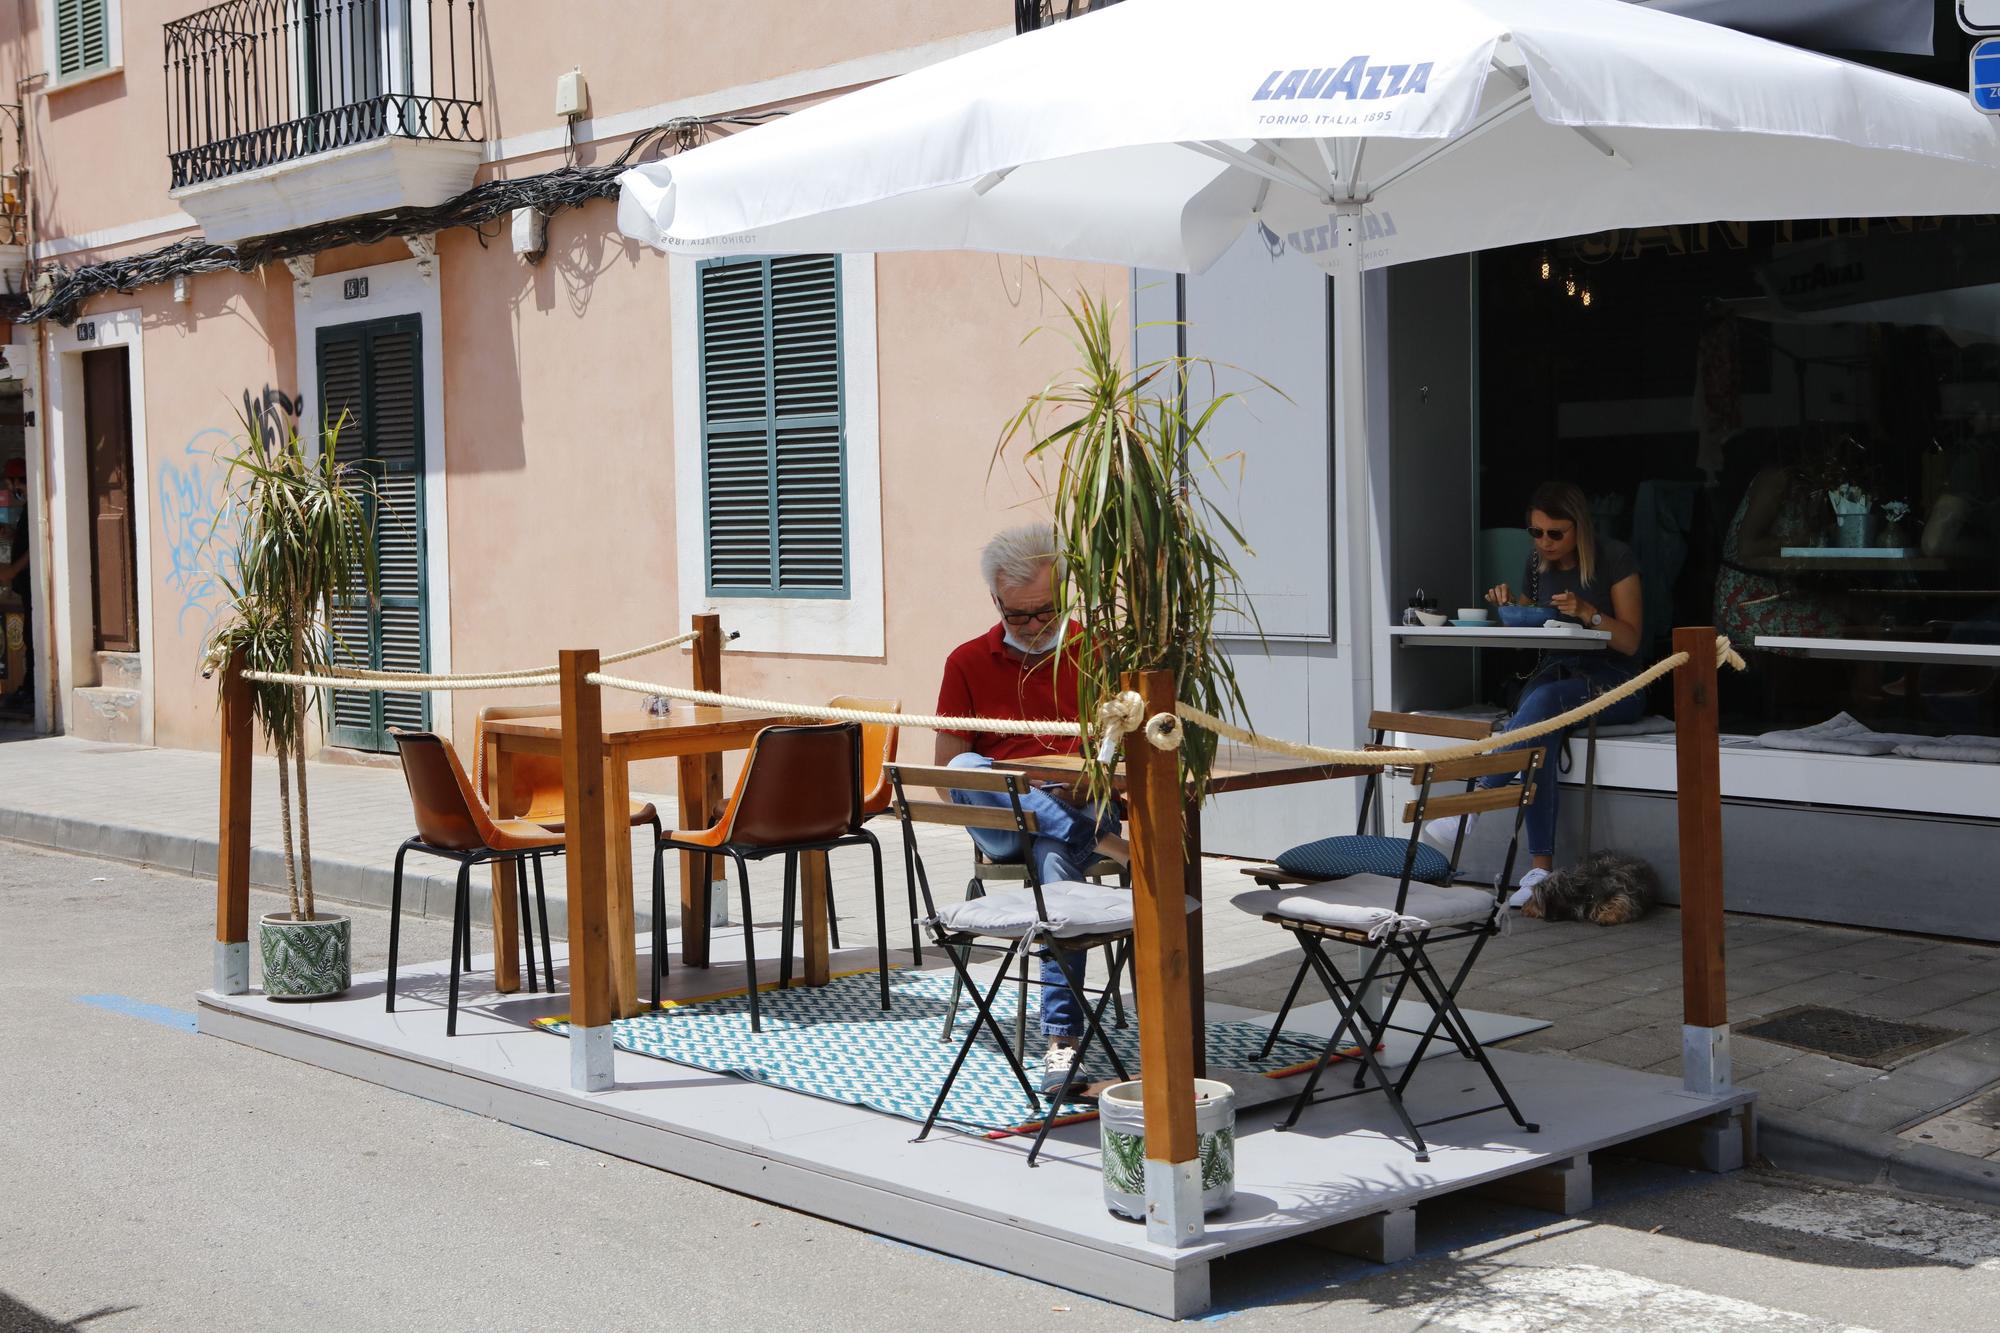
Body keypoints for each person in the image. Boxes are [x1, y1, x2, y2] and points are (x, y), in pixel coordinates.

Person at [934, 524, 1128, 1095]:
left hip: (1082, 804)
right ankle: (1102, 843)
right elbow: (947, 777)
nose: (1033, 625)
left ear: (1064, 595)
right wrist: (1025, 791)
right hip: (1002, 822)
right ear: (996, 601)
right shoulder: (967, 661)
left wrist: (1084, 783)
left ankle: (1061, 1044)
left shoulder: (1097, 652)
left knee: (1054, 859)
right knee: (969, 766)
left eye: (1045, 611)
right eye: (1017, 614)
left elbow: (1124, 752)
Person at [1430, 481, 1645, 904]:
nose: (1544, 542)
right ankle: (1540, 872)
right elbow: (1533, 623)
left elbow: (1631, 641)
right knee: (1539, 729)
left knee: (1542, 705)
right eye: (1536, 532)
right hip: (1558, 674)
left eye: (1555, 533)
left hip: (1616, 682)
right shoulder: (1536, 562)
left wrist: (1589, 612)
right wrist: (1510, 605)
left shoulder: (1614, 557)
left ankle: (1475, 803)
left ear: (1579, 527)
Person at [1, 458, 30, 713]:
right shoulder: (29, 507)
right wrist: (12, 532)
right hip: (25, 585)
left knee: (32, 637)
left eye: (11, 483)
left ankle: (31, 691)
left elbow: (35, 547)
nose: (11, 489)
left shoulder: (35, 506)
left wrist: (13, 570)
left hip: (31, 585)